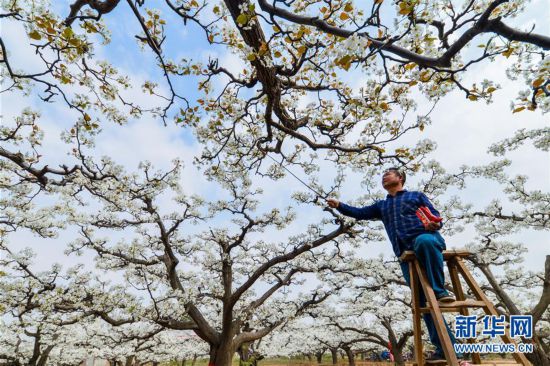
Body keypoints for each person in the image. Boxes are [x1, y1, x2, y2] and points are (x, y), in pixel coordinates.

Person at [327, 167, 463, 364]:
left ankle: (440, 291)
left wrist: (434, 224)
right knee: (423, 303)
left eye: (388, 174)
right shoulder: (382, 206)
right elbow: (359, 213)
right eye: (382, 176)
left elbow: (435, 216)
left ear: (400, 178)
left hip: (425, 240)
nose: (384, 177)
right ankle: (447, 348)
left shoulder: (416, 196)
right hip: (405, 254)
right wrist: (339, 205)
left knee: (425, 242)